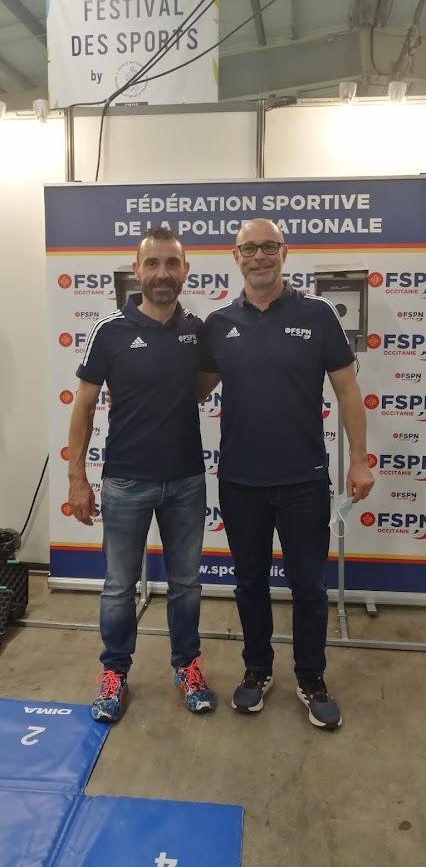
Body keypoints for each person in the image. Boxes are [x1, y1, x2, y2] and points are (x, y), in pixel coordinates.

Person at [198, 218, 374, 730]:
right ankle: (257, 670)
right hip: (240, 481)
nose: (260, 256)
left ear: (284, 252)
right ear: (236, 257)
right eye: (249, 248)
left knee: (309, 587)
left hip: (304, 481)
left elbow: (347, 390)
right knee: (249, 583)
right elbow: (192, 390)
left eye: (268, 247)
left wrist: (359, 459)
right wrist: (135, 387)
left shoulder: (318, 315)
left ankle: (311, 677)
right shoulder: (218, 324)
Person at [67, 226, 215, 722]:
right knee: (118, 586)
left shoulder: (197, 331)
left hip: (186, 481)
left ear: (185, 270)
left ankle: (187, 666)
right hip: (125, 481)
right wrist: (77, 479)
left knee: (186, 583)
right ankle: (114, 673)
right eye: (152, 263)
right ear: (137, 271)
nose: (162, 273)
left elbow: (198, 387)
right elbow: (83, 406)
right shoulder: (109, 330)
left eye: (172, 263)